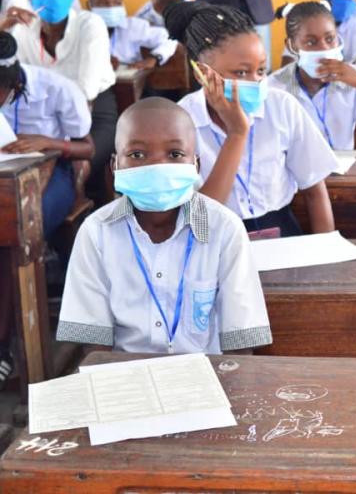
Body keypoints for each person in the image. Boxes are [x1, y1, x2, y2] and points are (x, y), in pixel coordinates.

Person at [56, 97, 272, 354]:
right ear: (115, 166)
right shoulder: (96, 231)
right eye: (137, 154)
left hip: (207, 376)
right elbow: (93, 341)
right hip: (126, 376)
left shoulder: (225, 229)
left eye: (175, 154)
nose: (157, 166)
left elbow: (241, 342)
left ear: (196, 165)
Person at [166, 1, 337, 235]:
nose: (255, 82)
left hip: (280, 232)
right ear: (203, 74)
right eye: (241, 72)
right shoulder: (180, 121)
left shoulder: (281, 107)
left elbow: (315, 190)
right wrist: (237, 133)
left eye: (261, 71)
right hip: (213, 236)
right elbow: (199, 216)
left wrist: (327, 255)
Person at [0, 32, 94, 390]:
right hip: (7, 177)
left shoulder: (57, 88)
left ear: (12, 86)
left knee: (16, 231)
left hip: (55, 173)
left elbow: (88, 148)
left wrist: (48, 143)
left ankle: (7, 345)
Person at [0, 0, 116, 204]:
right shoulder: (23, 32)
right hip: (45, 117)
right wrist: (3, 30)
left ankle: (73, 221)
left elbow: (84, 92)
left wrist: (50, 142)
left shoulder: (89, 25)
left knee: (77, 167)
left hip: (94, 113)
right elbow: (8, 78)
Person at [270, 1, 356, 155]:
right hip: (292, 177)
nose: (324, 48)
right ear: (291, 46)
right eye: (311, 42)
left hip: (343, 176)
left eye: (330, 39)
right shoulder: (273, 88)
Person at [86, 0, 177, 70]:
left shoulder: (134, 26)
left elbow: (169, 39)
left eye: (117, 3)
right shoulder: (78, 30)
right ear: (89, 6)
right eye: (104, 3)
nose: (111, 8)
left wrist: (154, 58)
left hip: (126, 80)